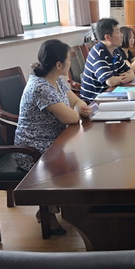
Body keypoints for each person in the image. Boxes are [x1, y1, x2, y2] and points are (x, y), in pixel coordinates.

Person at [15, 39, 92, 233]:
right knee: (80, 158)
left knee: (84, 152)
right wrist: (77, 111)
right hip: (33, 149)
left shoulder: (56, 79)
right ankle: (52, 210)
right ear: (59, 64)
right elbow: (72, 117)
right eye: (68, 59)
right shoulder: (41, 87)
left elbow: (77, 102)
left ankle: (65, 206)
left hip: (54, 140)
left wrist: (78, 108)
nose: (70, 62)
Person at [80, 18, 135, 101]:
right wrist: (124, 78)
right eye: (118, 32)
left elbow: (130, 72)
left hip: (109, 94)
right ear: (108, 37)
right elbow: (110, 81)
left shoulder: (115, 52)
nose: (121, 35)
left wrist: (123, 77)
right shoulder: (98, 53)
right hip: (93, 101)